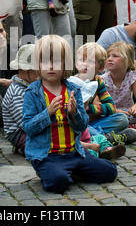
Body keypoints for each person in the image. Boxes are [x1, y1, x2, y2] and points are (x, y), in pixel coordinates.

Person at [21, 35, 118, 194]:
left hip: (74, 153)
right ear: (37, 64)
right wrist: (48, 113)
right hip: (48, 156)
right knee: (58, 183)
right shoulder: (33, 92)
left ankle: (72, 170)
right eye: (45, 61)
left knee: (110, 171)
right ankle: (55, 172)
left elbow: (82, 125)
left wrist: (74, 113)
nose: (51, 66)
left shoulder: (73, 89)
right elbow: (28, 127)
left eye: (57, 62)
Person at [74, 42, 136, 143]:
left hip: (92, 123)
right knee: (80, 129)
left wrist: (90, 108)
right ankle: (107, 138)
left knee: (122, 119)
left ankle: (98, 137)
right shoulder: (73, 82)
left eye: (90, 61)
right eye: (82, 60)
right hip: (78, 124)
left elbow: (111, 107)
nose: (85, 64)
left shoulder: (98, 82)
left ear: (100, 68)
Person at [102, 42, 136, 137]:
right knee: (107, 117)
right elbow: (99, 105)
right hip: (112, 114)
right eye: (108, 56)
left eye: (115, 56)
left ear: (127, 62)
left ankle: (127, 127)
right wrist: (115, 111)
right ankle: (132, 128)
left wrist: (135, 108)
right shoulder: (103, 80)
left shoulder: (131, 77)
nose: (110, 59)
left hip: (128, 114)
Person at [2, 44, 38, 156]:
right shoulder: (17, 93)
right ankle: (24, 147)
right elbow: (24, 123)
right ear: (24, 69)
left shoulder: (31, 85)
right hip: (19, 132)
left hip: (35, 124)